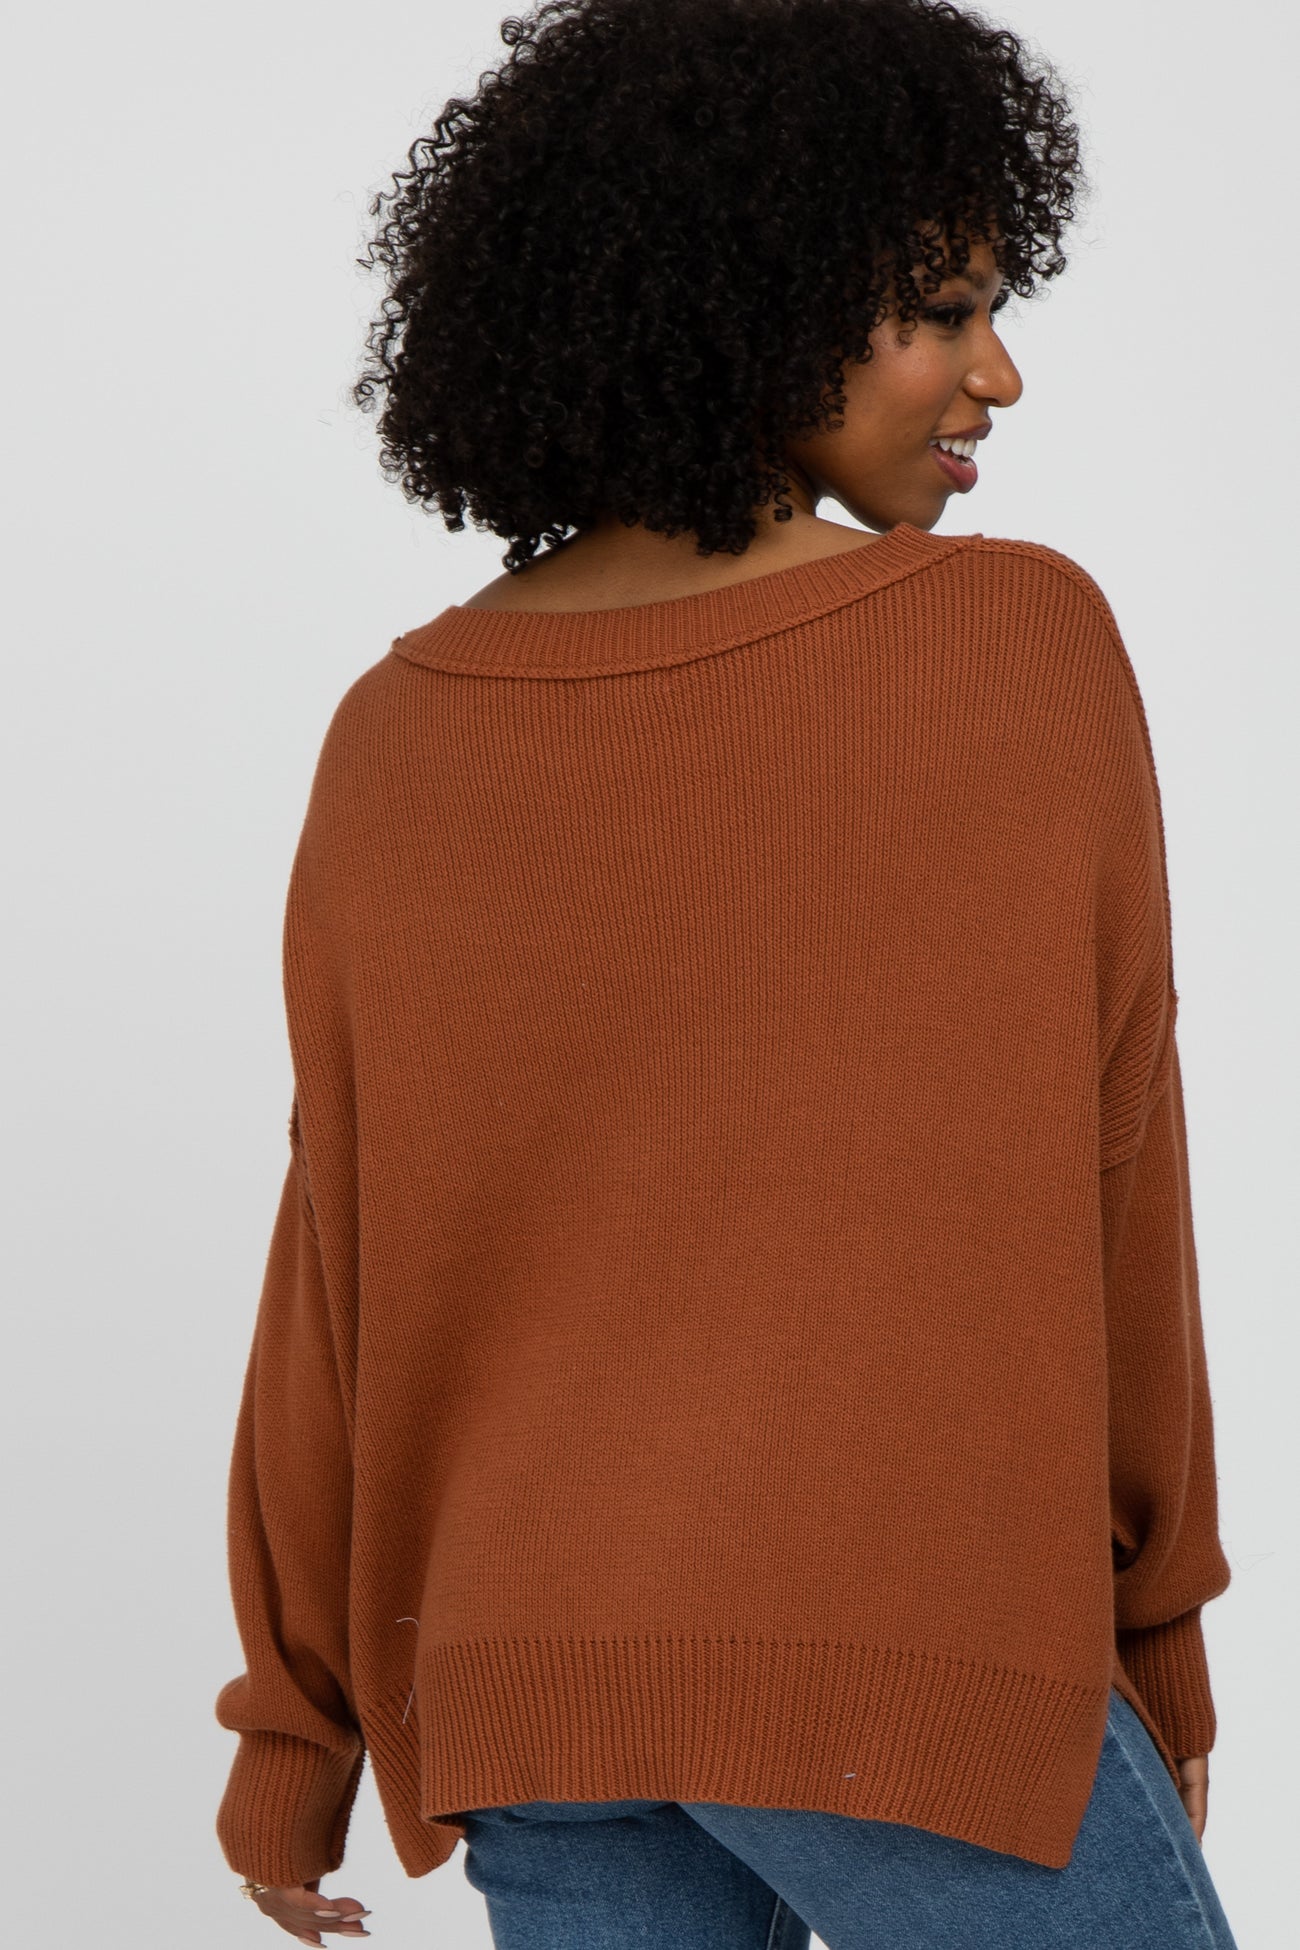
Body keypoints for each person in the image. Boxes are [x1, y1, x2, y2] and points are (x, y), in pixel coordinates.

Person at [213, 1, 1240, 1945]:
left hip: (525, 1677)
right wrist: (1151, 1642)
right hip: (895, 1659)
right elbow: (1112, 1174)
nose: (998, 372)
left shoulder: (393, 728)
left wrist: (297, 1728)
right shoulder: (1012, 643)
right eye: (939, 310)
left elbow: (334, 1257)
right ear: (754, 302)